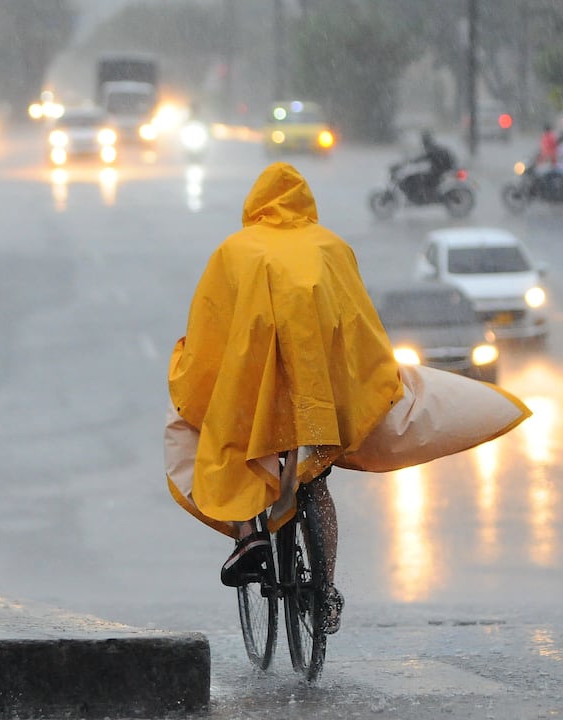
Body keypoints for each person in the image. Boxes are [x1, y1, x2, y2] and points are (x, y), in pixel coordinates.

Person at [163, 162, 531, 635]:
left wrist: (193, 366)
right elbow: (359, 322)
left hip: (255, 392)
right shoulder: (331, 247)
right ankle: (325, 588)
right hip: (319, 395)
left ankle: (247, 535)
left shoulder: (233, 251)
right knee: (315, 482)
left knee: (229, 447)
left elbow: (211, 327)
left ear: (255, 205)